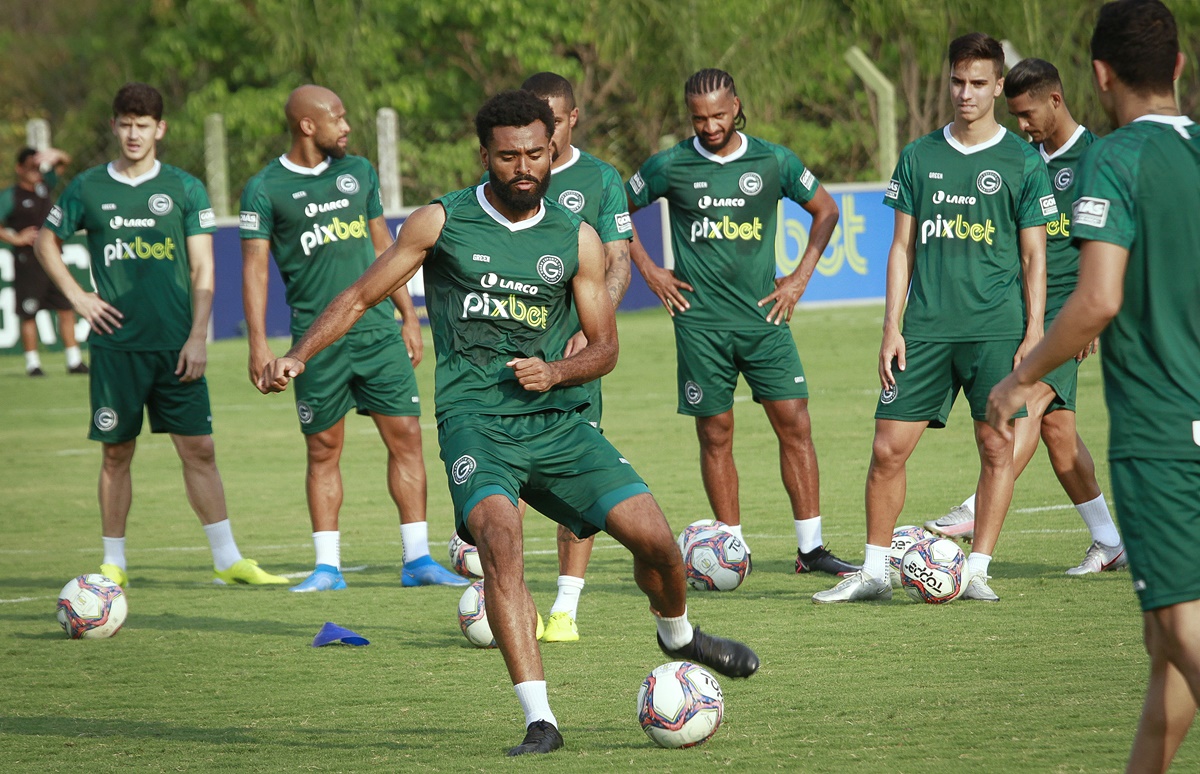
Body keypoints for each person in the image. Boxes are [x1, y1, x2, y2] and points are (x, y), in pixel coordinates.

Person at [258, 90, 759, 756]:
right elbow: (357, 296)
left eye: (534, 154)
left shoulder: (575, 238)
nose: (523, 167)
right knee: (501, 540)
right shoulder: (441, 223)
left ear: (551, 149)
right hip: (474, 423)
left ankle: (680, 637)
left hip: (555, 420)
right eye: (507, 156)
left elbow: (605, 348)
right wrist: (296, 355)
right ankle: (541, 720)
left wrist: (556, 373)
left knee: (660, 545)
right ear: (485, 155)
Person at [987, 2, 1199, 768]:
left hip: (1163, 437)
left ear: (1100, 76)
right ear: (1179, 67)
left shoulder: (1115, 159)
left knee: (1181, 628)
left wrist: (1021, 378)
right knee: (1163, 642)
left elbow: (1098, 298)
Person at [813, 33, 1056, 604]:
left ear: (999, 85)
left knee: (997, 447)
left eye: (977, 84)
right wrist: (891, 325)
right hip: (923, 329)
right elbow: (901, 249)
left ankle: (979, 571)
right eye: (957, 82)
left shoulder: (1022, 160)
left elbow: (1034, 254)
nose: (965, 94)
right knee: (886, 449)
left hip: (996, 327)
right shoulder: (919, 156)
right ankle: (874, 572)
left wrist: (1035, 329)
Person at [34, 82, 287, 588]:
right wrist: (78, 296)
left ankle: (227, 558)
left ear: (160, 129)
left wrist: (198, 336)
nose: (133, 133)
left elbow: (202, 269)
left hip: (177, 348)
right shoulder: (87, 188)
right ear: (114, 126)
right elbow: (46, 241)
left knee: (200, 450)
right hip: (115, 348)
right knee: (116, 452)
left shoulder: (185, 188)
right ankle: (114, 564)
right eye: (125, 124)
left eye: (143, 125)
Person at [625, 68, 856, 576]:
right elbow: (617, 212)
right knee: (716, 432)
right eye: (698, 118)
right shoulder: (670, 164)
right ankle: (729, 550)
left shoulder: (773, 160)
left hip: (764, 317)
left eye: (719, 115)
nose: (709, 126)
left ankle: (811, 549)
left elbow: (827, 210)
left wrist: (798, 278)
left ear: (737, 107)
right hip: (699, 323)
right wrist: (650, 271)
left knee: (794, 422)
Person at [240, 85, 463, 592]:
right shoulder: (263, 188)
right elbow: (253, 268)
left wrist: (409, 312)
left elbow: (385, 242)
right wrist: (258, 344)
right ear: (307, 126)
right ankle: (327, 567)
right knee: (323, 448)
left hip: (379, 331)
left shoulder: (359, 171)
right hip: (315, 341)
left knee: (406, 436)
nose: (346, 126)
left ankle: (418, 559)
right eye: (337, 118)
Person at [927, 58, 1126, 576]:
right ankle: (1109, 542)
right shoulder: (1023, 160)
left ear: (1055, 100)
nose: (1021, 124)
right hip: (1024, 310)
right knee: (1060, 434)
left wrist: (1095, 319)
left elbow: (1123, 245)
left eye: (1027, 113)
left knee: (1027, 401)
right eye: (1013, 115)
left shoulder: (1098, 159)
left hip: (1071, 312)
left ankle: (974, 510)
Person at [518, 71, 633, 642]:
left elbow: (619, 262)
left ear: (572, 119)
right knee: (502, 483)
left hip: (576, 360)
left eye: (553, 123)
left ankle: (565, 609)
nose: (542, 135)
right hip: (513, 356)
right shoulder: (510, 175)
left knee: (575, 480)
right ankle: (506, 597)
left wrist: (593, 332)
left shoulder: (600, 180)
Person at [0, 145, 86, 376]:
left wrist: (55, 154)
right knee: (29, 313)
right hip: (27, 262)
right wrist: (15, 238)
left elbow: (65, 161)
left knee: (66, 308)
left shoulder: (43, 187)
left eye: (38, 167)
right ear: (19, 169)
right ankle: (33, 363)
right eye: (30, 168)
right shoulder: (11, 196)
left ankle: (74, 360)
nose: (35, 172)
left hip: (52, 260)